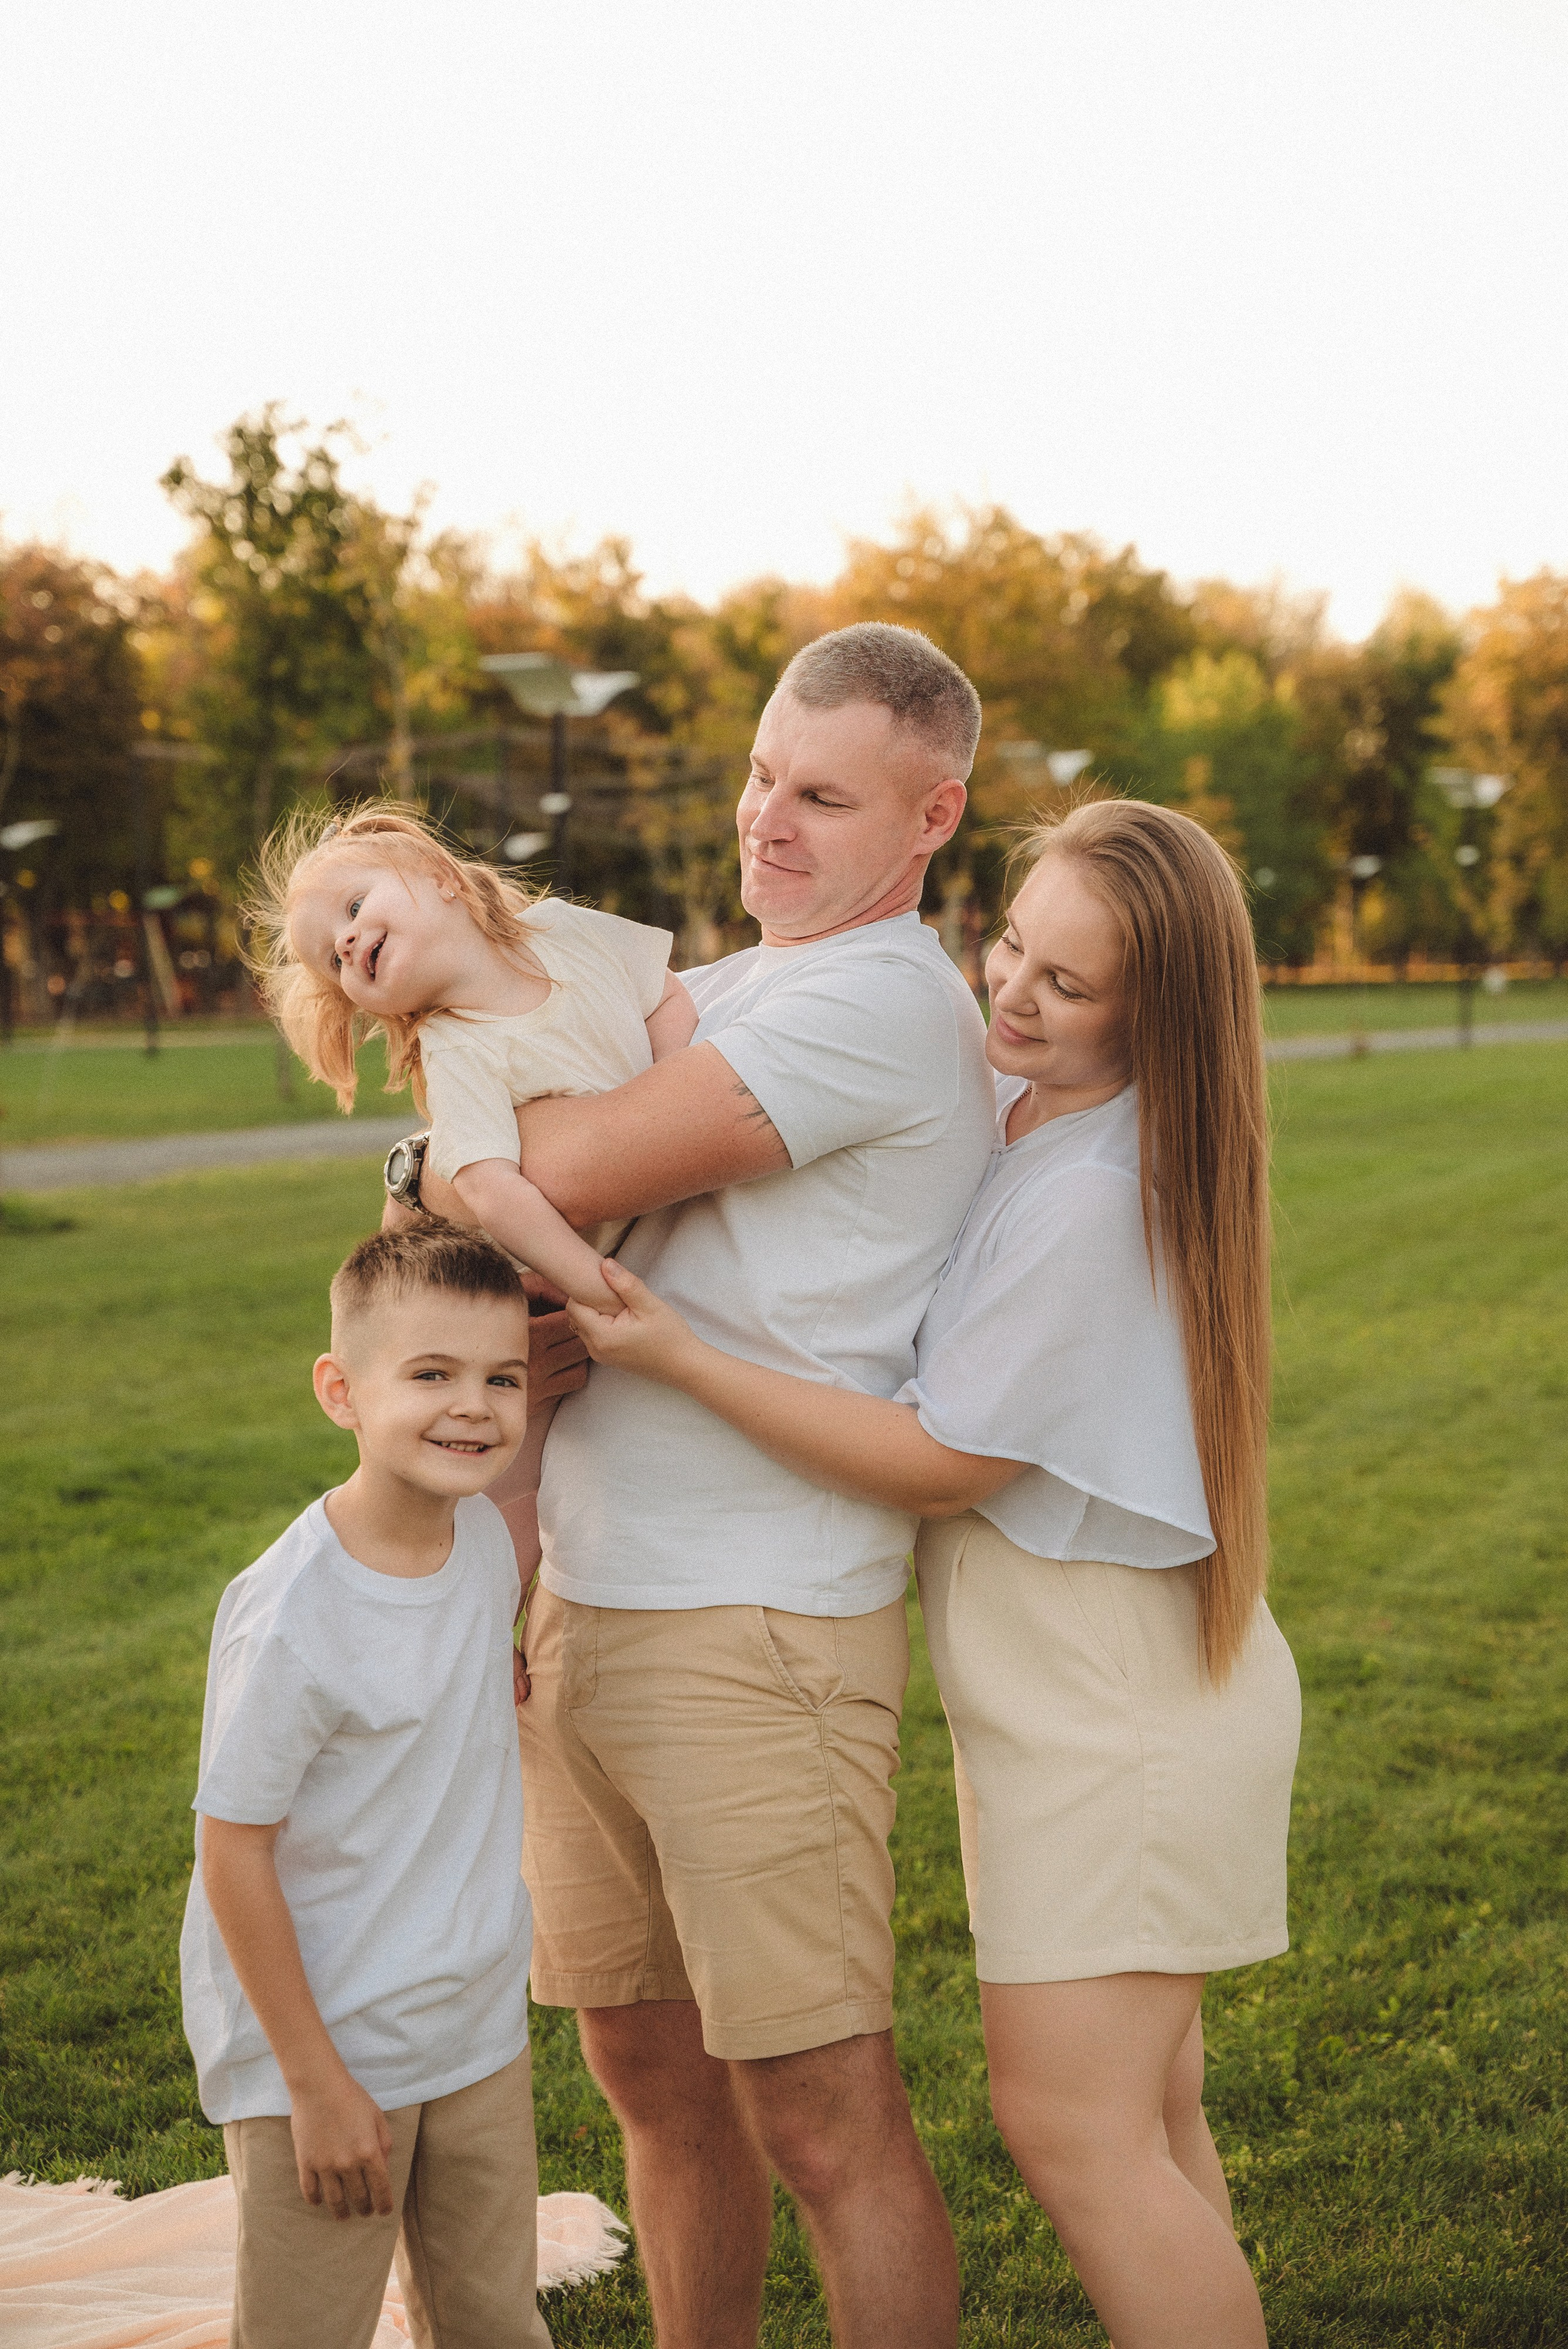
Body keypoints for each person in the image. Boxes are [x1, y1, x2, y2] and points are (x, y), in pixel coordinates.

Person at [565, 797, 1302, 2349]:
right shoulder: (1029, 1104)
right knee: (1145, 2128)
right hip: (1079, 1694)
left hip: (1114, 1715)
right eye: (1009, 943)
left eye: (1064, 982)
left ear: (1153, 1012)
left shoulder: (1100, 1192)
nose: (1008, 992)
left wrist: (678, 1353)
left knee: (1076, 2133)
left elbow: (941, 1458)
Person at [396, 621, 994, 2349]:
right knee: (650, 2086)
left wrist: (475, 1166)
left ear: (932, 814)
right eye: (757, 773)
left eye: (822, 795)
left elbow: (542, 1162)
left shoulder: (881, 1001)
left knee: (823, 2115)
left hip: (759, 1627)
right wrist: (464, 1186)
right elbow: (449, 1205)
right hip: (580, 1599)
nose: (768, 822)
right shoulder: (724, 994)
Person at [179, 1221, 553, 2349]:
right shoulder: (293, 1617)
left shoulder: (484, 1540)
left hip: (476, 2026)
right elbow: (232, 1850)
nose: (473, 1407)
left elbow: (453, 1671)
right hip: (330, 2053)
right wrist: (315, 2083)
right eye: (430, 1375)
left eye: (502, 1378)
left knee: (493, 2320)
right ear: (340, 1392)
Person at [247, 801, 697, 1569]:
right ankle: (490, 1622)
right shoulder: (458, 1051)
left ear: (440, 876)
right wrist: (590, 1282)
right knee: (506, 1473)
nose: (349, 941)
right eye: (334, 958)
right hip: (524, 1287)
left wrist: (656, 1107)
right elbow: (491, 1190)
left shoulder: (567, 930)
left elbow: (666, 995)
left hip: (599, 1249)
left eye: (355, 908)